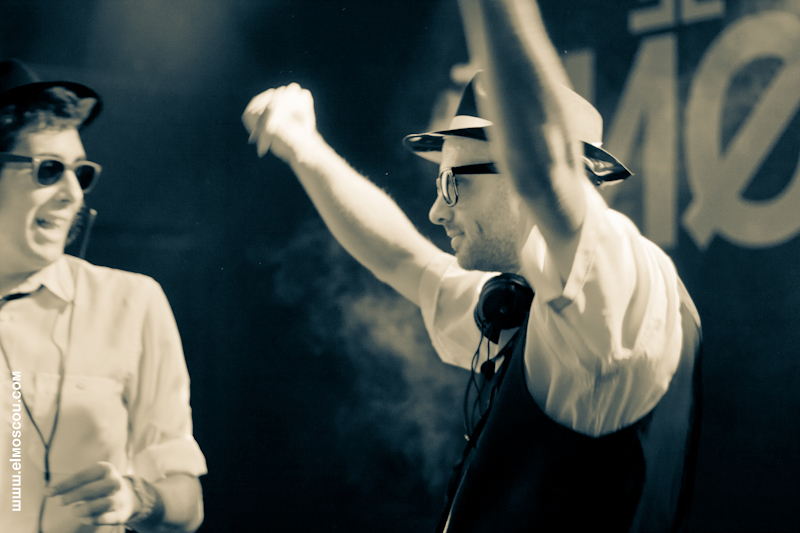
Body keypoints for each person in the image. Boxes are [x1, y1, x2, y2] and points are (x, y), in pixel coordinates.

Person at [242, 0, 702, 530]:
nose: (436, 211)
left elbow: (545, 165)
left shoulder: (619, 283)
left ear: (520, 171)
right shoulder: (531, 306)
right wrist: (303, 147)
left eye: (452, 183)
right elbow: (404, 260)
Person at [0, 59, 206, 533]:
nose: (73, 193)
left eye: (81, 173)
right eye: (49, 170)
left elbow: (187, 504)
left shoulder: (133, 303)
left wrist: (136, 497)